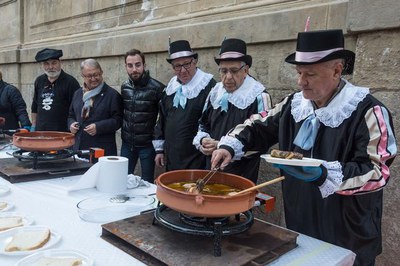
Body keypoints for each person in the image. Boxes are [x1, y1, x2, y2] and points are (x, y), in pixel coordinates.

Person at [211, 29, 397, 266]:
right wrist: (229, 145)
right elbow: (258, 125)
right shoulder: (294, 104)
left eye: (310, 74)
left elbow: (378, 172)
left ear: (337, 71)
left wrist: (325, 174)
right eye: (299, 73)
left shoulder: (368, 112)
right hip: (300, 218)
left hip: (347, 229)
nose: (301, 82)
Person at [193, 38, 272, 183]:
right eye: (223, 71)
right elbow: (203, 123)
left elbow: (263, 141)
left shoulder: (259, 96)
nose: (228, 77)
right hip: (210, 169)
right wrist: (203, 140)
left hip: (241, 174)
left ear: (246, 70)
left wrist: (223, 146)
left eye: (234, 71)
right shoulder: (215, 92)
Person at [153, 40, 217, 171]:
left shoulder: (208, 86)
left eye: (186, 64)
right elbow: (163, 117)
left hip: (196, 157)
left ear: (194, 61)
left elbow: (213, 121)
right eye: (177, 66)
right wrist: (160, 148)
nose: (182, 70)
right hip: (172, 155)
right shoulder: (171, 86)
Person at [120, 49, 165, 183]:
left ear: (144, 65)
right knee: (121, 179)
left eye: (138, 65)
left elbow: (162, 120)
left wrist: (159, 148)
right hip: (127, 144)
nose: (134, 69)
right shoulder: (125, 87)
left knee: (147, 183)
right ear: (126, 67)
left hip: (147, 146)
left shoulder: (157, 88)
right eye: (130, 65)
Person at [68, 59, 123, 156]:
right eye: (89, 76)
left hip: (102, 151)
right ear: (82, 76)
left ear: (101, 72)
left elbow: (118, 120)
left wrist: (98, 127)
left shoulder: (112, 95)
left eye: (96, 75)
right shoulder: (77, 94)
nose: (93, 79)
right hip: (78, 149)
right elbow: (70, 115)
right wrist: (71, 124)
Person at [31, 48, 80, 132]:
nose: (50, 67)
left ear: (60, 63)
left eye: (54, 63)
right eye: (46, 64)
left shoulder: (70, 82)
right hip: (41, 132)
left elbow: (77, 109)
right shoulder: (39, 81)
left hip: (63, 133)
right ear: (42, 65)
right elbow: (35, 106)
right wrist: (33, 125)